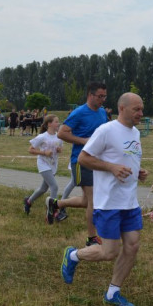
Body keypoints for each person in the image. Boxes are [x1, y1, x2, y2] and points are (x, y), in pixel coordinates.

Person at [60, 93, 148, 306]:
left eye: (141, 109)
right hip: (108, 202)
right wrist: (111, 167)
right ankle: (73, 256)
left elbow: (125, 157)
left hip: (130, 201)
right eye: (136, 109)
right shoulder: (106, 130)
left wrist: (137, 171)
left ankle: (113, 292)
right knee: (109, 252)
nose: (141, 113)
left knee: (132, 245)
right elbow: (83, 158)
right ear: (122, 108)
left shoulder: (135, 132)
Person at [51, 82, 108, 246]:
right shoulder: (79, 112)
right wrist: (83, 140)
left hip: (98, 161)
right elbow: (62, 133)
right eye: (100, 96)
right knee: (93, 201)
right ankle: (91, 238)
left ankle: (56, 204)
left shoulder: (102, 112)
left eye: (105, 96)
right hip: (81, 160)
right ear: (90, 95)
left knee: (86, 201)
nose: (103, 99)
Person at [23, 115, 63, 223]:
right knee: (54, 187)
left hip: (53, 165)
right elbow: (30, 150)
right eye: (56, 122)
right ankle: (52, 211)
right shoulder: (42, 137)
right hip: (43, 164)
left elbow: (60, 148)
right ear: (49, 124)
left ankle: (28, 201)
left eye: (58, 122)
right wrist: (44, 152)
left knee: (43, 189)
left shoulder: (59, 137)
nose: (58, 124)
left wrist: (59, 150)